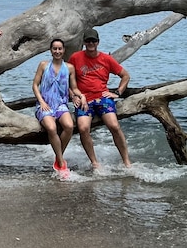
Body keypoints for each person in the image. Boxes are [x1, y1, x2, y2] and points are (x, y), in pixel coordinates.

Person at [69, 28, 132, 168]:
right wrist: (73, 96)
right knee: (83, 128)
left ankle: (126, 161)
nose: (91, 43)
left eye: (93, 41)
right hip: (84, 99)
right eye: (88, 41)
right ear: (84, 42)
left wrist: (118, 92)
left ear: (98, 42)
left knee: (114, 126)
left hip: (103, 98)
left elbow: (125, 76)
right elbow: (66, 79)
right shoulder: (75, 58)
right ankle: (95, 162)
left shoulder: (106, 59)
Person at [31, 38, 81, 174]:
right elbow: (35, 85)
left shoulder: (69, 68)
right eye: (55, 49)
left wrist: (80, 96)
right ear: (51, 50)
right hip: (45, 105)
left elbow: (74, 88)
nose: (57, 51)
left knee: (69, 126)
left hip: (61, 105)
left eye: (60, 49)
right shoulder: (43, 65)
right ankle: (61, 162)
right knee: (52, 128)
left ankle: (58, 158)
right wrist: (41, 101)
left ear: (64, 50)